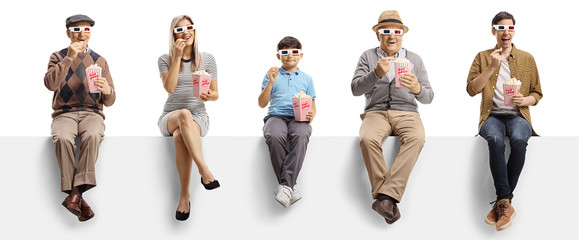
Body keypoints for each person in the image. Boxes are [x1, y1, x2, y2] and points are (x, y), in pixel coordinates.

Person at [351, 10, 434, 224]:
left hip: (407, 112)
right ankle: (386, 199)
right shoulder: (368, 57)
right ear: (378, 34)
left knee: (417, 139)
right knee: (368, 140)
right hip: (375, 112)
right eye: (385, 31)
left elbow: (429, 96)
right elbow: (355, 89)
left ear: (402, 34)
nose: (391, 36)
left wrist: (416, 88)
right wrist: (375, 73)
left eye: (396, 31)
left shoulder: (414, 59)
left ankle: (385, 198)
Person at [466, 11, 542, 231]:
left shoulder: (527, 58)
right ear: (493, 31)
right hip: (492, 116)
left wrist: (524, 99)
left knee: (519, 139)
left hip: (519, 115)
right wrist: (491, 66)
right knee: (495, 139)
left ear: (514, 31)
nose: (505, 32)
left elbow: (537, 93)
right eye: (500, 28)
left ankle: (502, 202)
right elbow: (472, 90)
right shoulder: (482, 57)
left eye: (509, 28)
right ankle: (506, 204)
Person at [44, 14, 116, 221]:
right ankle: (77, 197)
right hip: (64, 113)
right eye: (76, 30)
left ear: (90, 33)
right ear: (68, 33)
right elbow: (50, 84)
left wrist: (107, 90)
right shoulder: (57, 57)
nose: (81, 34)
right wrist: (69, 58)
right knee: (63, 138)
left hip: (91, 112)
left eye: (86, 29)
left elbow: (110, 101)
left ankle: (74, 195)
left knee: (93, 135)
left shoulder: (100, 60)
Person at [158, 15, 220, 221]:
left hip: (198, 116)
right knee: (183, 114)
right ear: (173, 34)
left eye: (189, 28)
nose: (186, 32)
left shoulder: (208, 59)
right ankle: (204, 169)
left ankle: (184, 197)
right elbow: (170, 87)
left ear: (195, 31)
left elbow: (216, 93)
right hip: (171, 115)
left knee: (179, 137)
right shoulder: (165, 59)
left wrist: (209, 96)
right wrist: (177, 57)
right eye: (180, 29)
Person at [258, 36, 316, 208]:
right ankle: (291, 186)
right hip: (275, 116)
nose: (290, 55)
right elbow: (261, 103)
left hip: (299, 117)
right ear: (278, 56)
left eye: (294, 52)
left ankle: (284, 187)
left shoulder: (307, 79)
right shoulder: (271, 75)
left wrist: (312, 114)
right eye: (285, 52)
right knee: (273, 135)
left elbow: (313, 103)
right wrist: (270, 82)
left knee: (302, 134)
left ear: (301, 55)